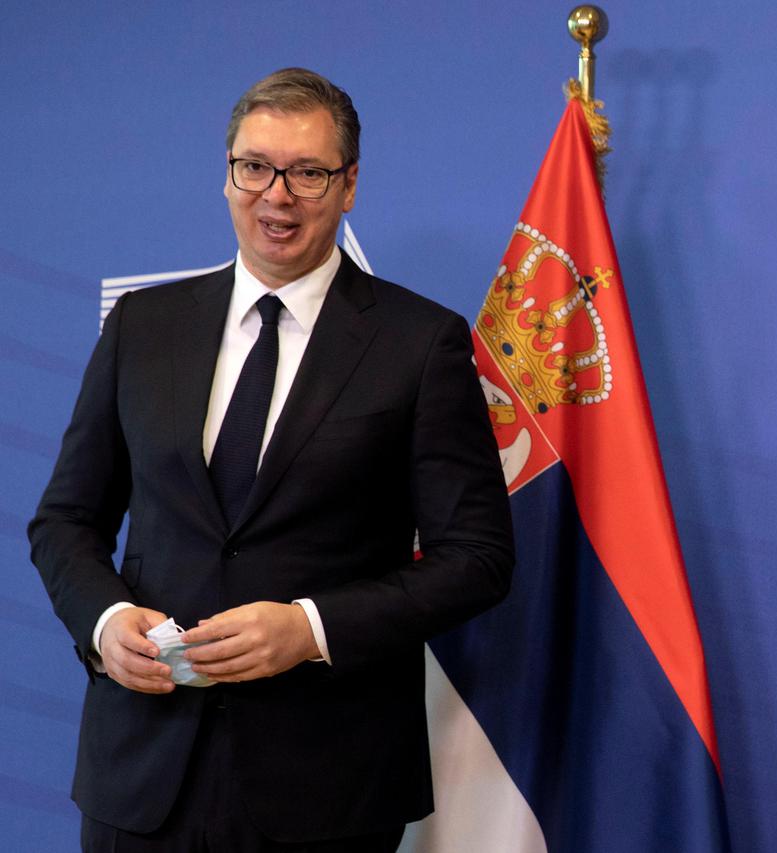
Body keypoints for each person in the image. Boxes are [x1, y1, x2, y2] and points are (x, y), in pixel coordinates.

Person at [28, 67, 514, 851]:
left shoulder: (420, 343)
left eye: (308, 173)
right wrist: (105, 619)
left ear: (349, 185)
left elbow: (480, 557)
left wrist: (310, 627)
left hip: (328, 784)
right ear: (227, 175)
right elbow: (65, 520)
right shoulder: (142, 326)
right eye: (254, 167)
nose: (275, 195)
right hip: (142, 776)